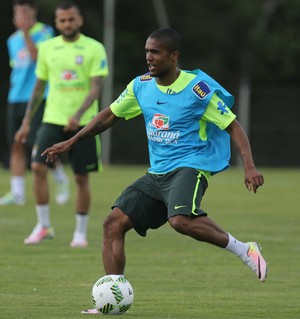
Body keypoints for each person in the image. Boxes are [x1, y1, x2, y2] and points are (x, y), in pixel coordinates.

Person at [42, 28, 268, 310]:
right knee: (113, 223)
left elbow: (233, 125)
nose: (149, 57)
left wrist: (249, 166)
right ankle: (111, 300)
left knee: (180, 220)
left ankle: (244, 250)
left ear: (174, 56)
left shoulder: (197, 90)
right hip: (157, 172)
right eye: (147, 51)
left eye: (156, 52)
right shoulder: (141, 86)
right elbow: (109, 115)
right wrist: (72, 141)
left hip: (190, 166)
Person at [15, 0, 109, 247]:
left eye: (71, 19)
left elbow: (95, 88)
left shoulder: (94, 48)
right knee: (37, 167)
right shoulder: (47, 48)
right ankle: (43, 226)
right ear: (56, 23)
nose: (67, 24)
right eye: (62, 20)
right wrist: (26, 122)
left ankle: (80, 233)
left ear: (79, 20)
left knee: (81, 178)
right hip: (52, 119)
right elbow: (38, 87)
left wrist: (78, 114)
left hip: (85, 123)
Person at [0, 0, 70, 206]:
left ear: (33, 13)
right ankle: (17, 193)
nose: (20, 16)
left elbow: (37, 57)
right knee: (16, 143)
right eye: (17, 13)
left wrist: (27, 33)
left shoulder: (45, 32)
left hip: (39, 97)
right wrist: (21, 33)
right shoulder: (12, 40)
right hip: (16, 97)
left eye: (24, 12)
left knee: (40, 144)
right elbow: (18, 67)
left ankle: (60, 179)